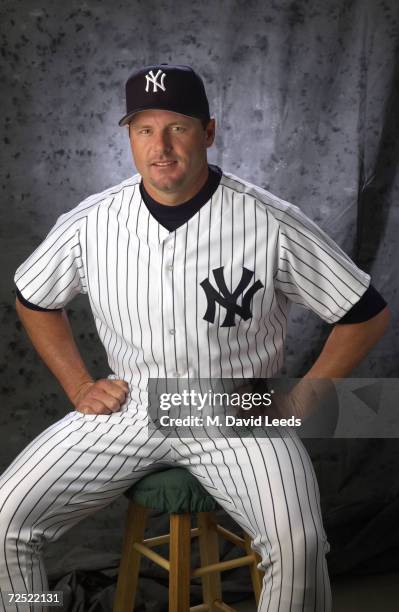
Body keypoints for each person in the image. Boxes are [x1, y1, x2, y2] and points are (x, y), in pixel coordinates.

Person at [0, 64, 389, 612]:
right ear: (129, 137)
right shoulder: (90, 223)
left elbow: (365, 313)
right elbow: (34, 298)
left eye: (177, 127)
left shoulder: (269, 220)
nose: (160, 146)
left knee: (298, 543)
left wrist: (309, 397)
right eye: (143, 129)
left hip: (238, 409)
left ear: (207, 131)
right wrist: (79, 383)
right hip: (130, 406)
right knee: (6, 520)